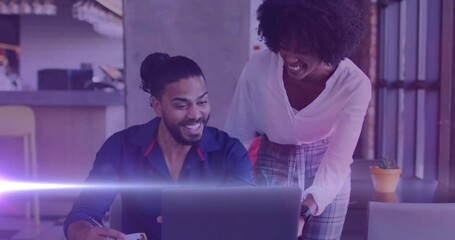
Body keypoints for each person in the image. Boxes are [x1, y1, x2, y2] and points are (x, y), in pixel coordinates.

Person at [64, 53, 255, 240]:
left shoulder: (230, 152)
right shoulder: (121, 147)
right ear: (157, 106)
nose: (195, 114)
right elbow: (82, 214)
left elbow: (249, 219)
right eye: (181, 106)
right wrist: (84, 233)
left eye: (202, 102)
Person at [224, 0, 371, 239]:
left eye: (302, 48)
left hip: (326, 172)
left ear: (327, 44)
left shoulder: (354, 84)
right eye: (284, 46)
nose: (291, 57)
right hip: (271, 162)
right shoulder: (258, 69)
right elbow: (235, 137)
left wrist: (306, 209)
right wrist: (215, 193)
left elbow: (337, 162)